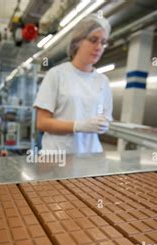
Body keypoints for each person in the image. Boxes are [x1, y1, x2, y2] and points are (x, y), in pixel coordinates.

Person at [34, 14, 112, 154]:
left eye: (103, 42)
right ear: (78, 41)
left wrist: (103, 124)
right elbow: (42, 123)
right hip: (58, 157)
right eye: (93, 40)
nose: (99, 47)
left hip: (91, 157)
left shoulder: (103, 81)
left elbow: (105, 117)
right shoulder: (56, 75)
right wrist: (78, 126)